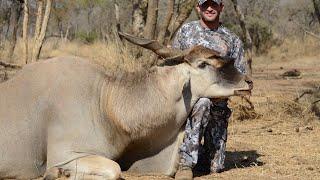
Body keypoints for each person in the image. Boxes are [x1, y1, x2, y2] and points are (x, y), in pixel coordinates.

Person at [172, 0, 249, 179]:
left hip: (219, 107)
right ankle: (185, 164)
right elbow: (173, 66)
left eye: (214, 4)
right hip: (191, 103)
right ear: (198, 7)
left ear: (221, 7)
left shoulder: (231, 39)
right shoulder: (186, 31)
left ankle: (204, 155)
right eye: (205, 4)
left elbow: (241, 76)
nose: (209, 8)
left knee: (216, 168)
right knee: (202, 103)